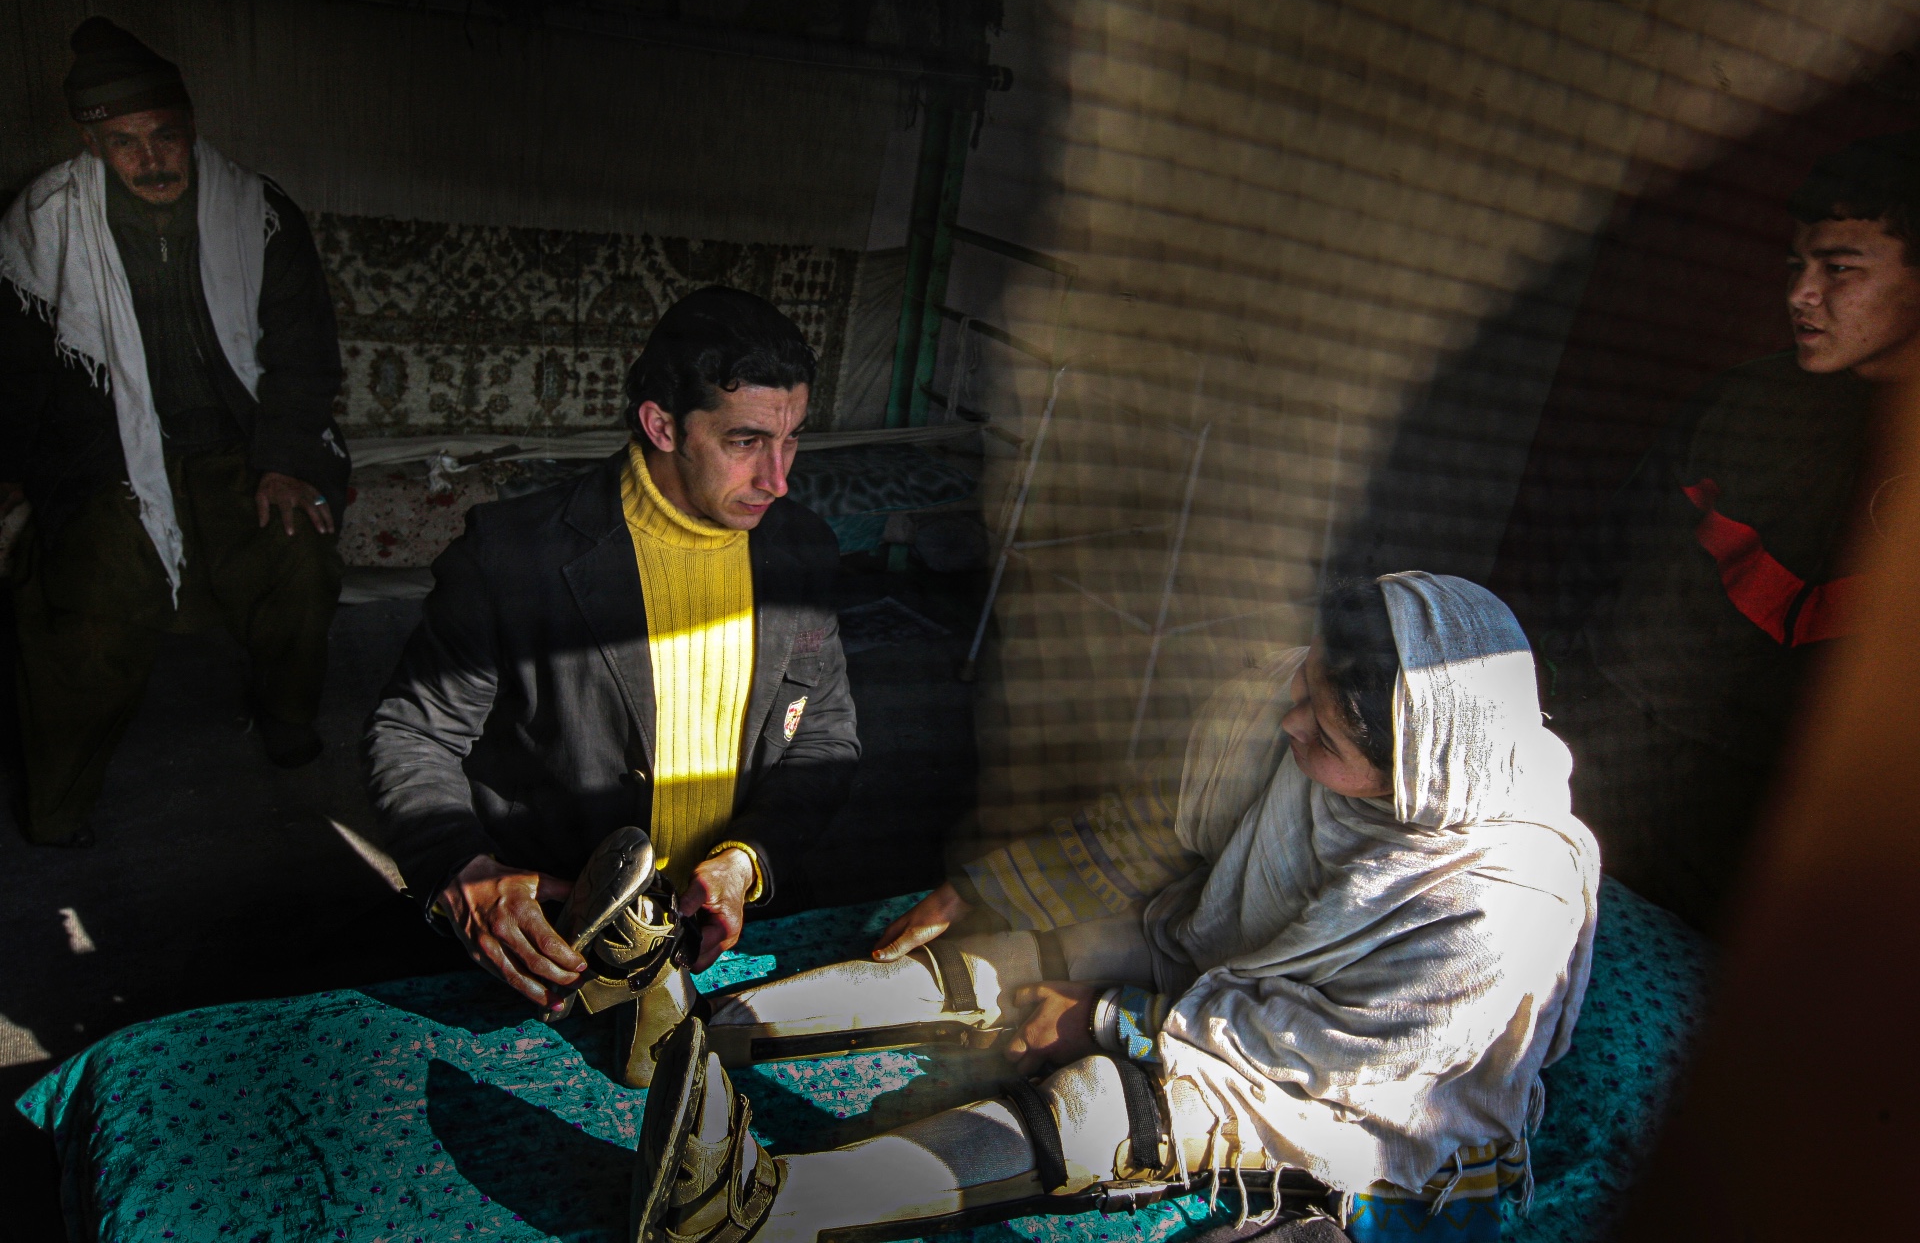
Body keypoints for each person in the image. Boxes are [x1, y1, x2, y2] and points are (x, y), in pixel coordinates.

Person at [633, 573, 1600, 1243]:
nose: (1288, 720)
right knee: (994, 956)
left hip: (1349, 1089)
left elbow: (1315, 1061)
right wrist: (983, 890)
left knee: (1107, 1105)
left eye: (1326, 732)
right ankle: (696, 1027)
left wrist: (1105, 1023)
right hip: (1221, 964)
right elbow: (1149, 832)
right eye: (1303, 688)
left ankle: (768, 1208)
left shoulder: (1499, 906)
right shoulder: (1288, 700)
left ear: (1415, 773)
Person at [365, 286, 859, 1015]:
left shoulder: (801, 550)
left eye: (792, 440)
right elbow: (412, 732)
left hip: (721, 946)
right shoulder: (513, 555)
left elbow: (824, 732)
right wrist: (460, 869)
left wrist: (745, 863)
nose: (778, 479)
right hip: (549, 949)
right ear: (661, 425)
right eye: (745, 442)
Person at [1539, 129, 1920, 931]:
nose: (1802, 294)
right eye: (1796, 267)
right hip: (1599, 776)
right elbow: (1595, 568)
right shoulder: (1741, 405)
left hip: (1761, 859)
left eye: (1840, 269)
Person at [0, 18, 349, 847]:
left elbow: (304, 357)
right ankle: (58, 804)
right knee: (89, 608)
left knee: (298, 555)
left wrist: (288, 461)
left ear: (190, 127)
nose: (151, 160)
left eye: (165, 136)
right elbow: (12, 372)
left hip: (239, 444)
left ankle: (287, 721)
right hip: (106, 454)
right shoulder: (42, 222)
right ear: (91, 141)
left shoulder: (258, 214)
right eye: (125, 142)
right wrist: (13, 475)